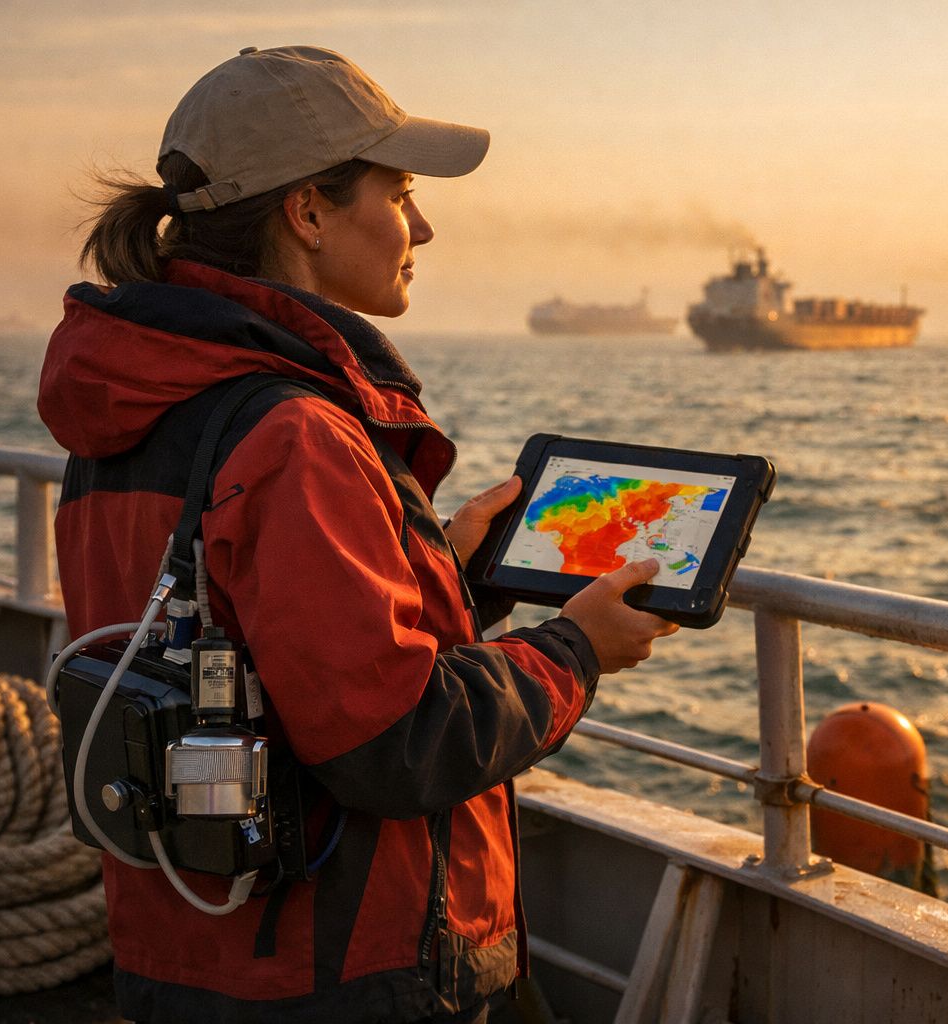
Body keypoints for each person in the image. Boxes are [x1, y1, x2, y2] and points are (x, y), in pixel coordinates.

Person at [38, 45, 677, 1023]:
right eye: (400, 192)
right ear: (307, 212)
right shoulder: (297, 433)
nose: (421, 225)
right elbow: (398, 743)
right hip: (340, 971)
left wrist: (445, 573)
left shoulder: (139, 401)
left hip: (186, 947)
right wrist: (579, 649)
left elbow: (237, 631)